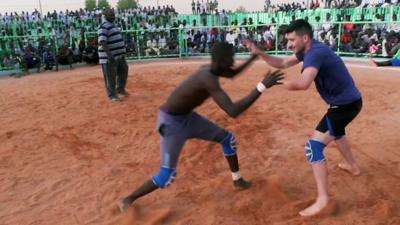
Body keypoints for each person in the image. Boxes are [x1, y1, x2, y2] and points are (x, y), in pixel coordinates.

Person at [117, 42, 284, 213]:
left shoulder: (212, 68)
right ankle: (128, 199)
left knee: (228, 139)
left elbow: (232, 74)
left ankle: (237, 180)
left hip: (187, 117)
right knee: (167, 175)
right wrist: (262, 86)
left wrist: (253, 57)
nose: (233, 62)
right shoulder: (208, 79)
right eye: (230, 59)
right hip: (171, 123)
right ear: (221, 61)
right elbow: (232, 111)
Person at [250, 19, 362, 217]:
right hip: (348, 102)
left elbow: (303, 84)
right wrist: (260, 53)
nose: (289, 44)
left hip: (344, 106)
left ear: (305, 37)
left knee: (314, 148)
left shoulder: (315, 53)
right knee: (338, 133)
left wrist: (274, 83)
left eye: (292, 40)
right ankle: (352, 166)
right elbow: (283, 63)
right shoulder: (308, 50)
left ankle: (323, 200)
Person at [98, 8, 129, 102]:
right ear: (105, 16)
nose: (113, 17)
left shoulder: (113, 25)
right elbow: (103, 41)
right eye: (110, 15)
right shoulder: (103, 26)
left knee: (123, 71)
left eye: (113, 15)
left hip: (119, 56)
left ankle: (120, 89)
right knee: (110, 77)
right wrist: (109, 55)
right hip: (110, 57)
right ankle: (112, 95)